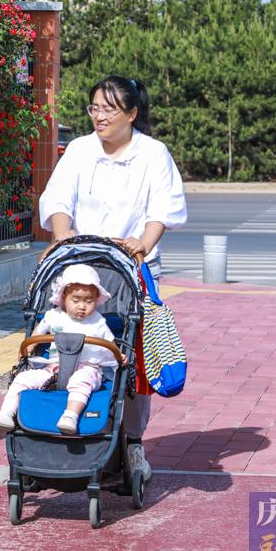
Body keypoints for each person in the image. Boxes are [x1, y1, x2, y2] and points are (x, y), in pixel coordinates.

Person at [38, 75, 187, 478]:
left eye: (108, 109)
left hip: (132, 269)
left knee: (131, 356)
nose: (99, 117)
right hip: (83, 269)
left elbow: (163, 209)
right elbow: (57, 198)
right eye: (95, 108)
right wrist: (63, 234)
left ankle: (133, 442)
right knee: (72, 345)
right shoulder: (80, 150)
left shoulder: (153, 154)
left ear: (132, 113)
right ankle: (69, 428)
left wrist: (143, 243)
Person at [0, 265, 119, 435]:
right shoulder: (54, 316)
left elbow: (111, 344)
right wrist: (28, 346)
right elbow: (38, 333)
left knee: (81, 381)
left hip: (88, 368)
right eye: (76, 300)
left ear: (97, 299)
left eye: (89, 301)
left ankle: (70, 416)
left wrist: (119, 356)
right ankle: (6, 413)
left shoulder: (98, 321)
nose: (82, 306)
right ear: (64, 297)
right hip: (53, 369)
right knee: (23, 378)